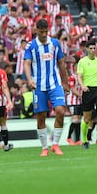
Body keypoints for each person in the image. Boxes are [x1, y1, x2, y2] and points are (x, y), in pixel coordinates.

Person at [24, 18, 69, 157]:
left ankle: (55, 144)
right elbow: (27, 63)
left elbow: (61, 63)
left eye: (46, 32)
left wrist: (65, 82)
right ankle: (44, 147)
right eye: (41, 32)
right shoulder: (31, 46)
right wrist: (29, 79)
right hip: (39, 86)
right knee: (41, 116)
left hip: (55, 84)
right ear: (36, 30)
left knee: (60, 111)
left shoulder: (55, 43)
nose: (44, 34)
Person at [66, 62, 82, 146]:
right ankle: (69, 137)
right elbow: (72, 89)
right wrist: (80, 95)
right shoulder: (72, 77)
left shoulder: (82, 77)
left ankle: (78, 139)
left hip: (80, 101)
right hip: (73, 101)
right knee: (75, 120)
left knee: (79, 121)